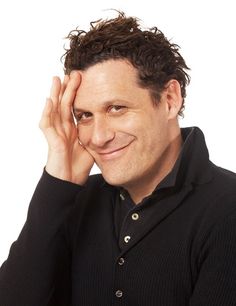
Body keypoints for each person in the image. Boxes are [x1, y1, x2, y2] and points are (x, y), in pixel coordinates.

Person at [0, 11, 236, 306]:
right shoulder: (73, 202)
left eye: (116, 108)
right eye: (85, 115)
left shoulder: (227, 207)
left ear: (169, 100)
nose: (98, 137)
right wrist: (56, 186)